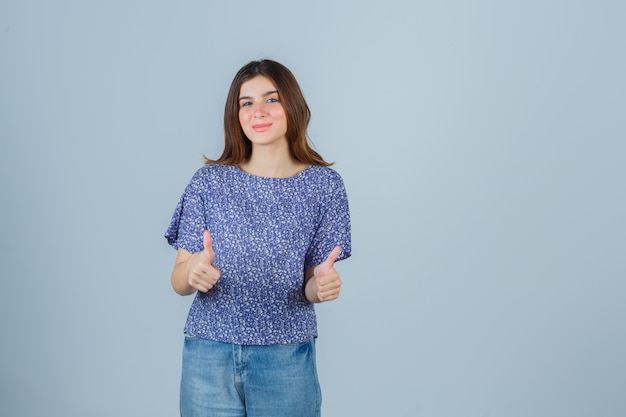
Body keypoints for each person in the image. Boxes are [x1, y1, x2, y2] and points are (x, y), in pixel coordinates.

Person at [164, 59, 352, 417]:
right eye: (246, 102)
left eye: (271, 99)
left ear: (292, 106)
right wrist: (191, 274)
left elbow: (311, 284)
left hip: (285, 359)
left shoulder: (324, 187)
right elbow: (178, 279)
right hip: (209, 355)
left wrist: (323, 286)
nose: (258, 111)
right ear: (235, 115)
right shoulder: (208, 182)